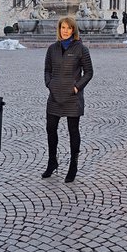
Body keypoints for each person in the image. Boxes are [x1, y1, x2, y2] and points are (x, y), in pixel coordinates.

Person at [42, 16, 94, 183]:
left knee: (73, 131)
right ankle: (52, 161)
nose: (65, 31)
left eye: (68, 28)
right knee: (51, 128)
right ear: (59, 29)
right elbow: (47, 70)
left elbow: (89, 72)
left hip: (73, 97)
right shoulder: (52, 49)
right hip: (55, 95)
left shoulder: (81, 49)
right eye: (63, 27)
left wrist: (76, 87)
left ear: (73, 30)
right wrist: (49, 84)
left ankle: (73, 165)